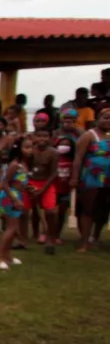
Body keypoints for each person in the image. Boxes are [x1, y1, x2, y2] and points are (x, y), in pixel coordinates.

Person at [0, 136, 36, 271]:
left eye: (31, 147)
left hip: (18, 195)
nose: (29, 150)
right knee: (11, 228)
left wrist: (28, 188)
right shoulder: (15, 165)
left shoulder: (25, 165)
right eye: (26, 147)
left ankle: (7, 255)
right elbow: (5, 183)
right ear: (19, 149)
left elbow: (19, 182)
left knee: (14, 228)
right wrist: (15, 199)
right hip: (9, 196)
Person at [72, 107, 110, 251]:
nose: (108, 121)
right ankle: (84, 241)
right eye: (105, 117)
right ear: (97, 119)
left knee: (104, 209)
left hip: (108, 179)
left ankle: (96, 237)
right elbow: (78, 158)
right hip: (91, 177)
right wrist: (75, 178)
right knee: (88, 209)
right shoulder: (89, 135)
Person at [27, 122, 59, 254]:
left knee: (50, 212)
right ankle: (30, 235)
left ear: (50, 138)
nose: (42, 139)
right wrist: (29, 186)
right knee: (27, 210)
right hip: (30, 182)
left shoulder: (53, 153)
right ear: (34, 137)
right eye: (39, 136)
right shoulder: (30, 151)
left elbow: (53, 173)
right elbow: (25, 168)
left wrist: (43, 189)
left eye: (45, 136)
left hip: (46, 183)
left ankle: (50, 236)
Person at [53, 108, 81, 240]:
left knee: (63, 210)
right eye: (66, 118)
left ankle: (57, 234)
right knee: (51, 209)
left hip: (69, 178)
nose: (68, 121)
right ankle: (48, 232)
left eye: (71, 119)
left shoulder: (80, 133)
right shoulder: (56, 133)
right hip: (54, 179)